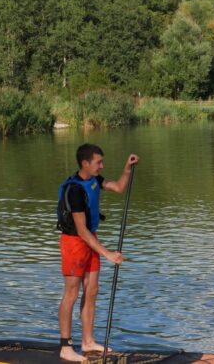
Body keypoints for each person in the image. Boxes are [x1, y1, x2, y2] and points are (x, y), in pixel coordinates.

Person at [56, 143, 139, 362]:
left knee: (92, 289)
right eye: (98, 162)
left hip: (90, 240)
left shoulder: (94, 180)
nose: (101, 166)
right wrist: (108, 254)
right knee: (71, 294)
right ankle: (65, 347)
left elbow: (119, 187)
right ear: (85, 163)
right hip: (74, 243)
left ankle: (88, 341)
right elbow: (81, 230)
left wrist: (127, 168)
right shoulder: (74, 190)